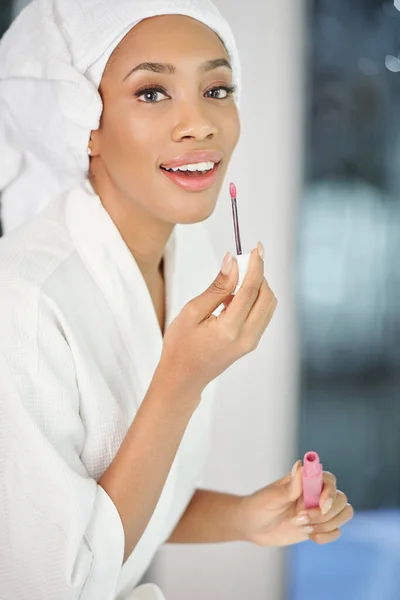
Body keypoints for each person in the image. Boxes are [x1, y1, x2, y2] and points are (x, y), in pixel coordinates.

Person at [0, 1, 354, 599]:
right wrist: (181, 379)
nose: (201, 123)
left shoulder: (188, 249)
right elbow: (59, 578)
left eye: (217, 88)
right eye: (152, 93)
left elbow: (103, 504)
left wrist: (246, 516)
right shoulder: (25, 303)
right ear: (84, 119)